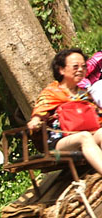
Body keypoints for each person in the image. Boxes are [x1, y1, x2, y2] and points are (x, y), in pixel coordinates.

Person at [27, 48, 102, 176]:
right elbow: (40, 112)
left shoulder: (85, 93)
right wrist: (35, 121)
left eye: (83, 66)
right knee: (84, 136)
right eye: (75, 67)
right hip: (61, 142)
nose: (80, 70)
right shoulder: (51, 92)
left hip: (90, 135)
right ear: (61, 70)